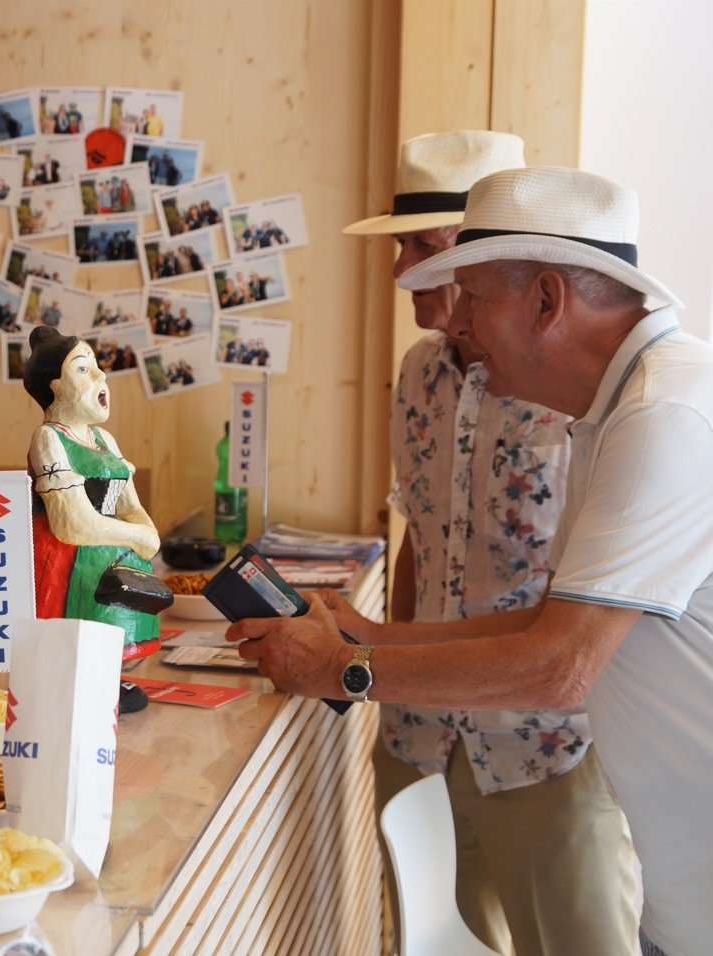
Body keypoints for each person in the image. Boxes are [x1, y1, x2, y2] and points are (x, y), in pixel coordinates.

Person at [238, 166, 702, 956]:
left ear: (547, 301)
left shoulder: (664, 415)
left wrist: (343, 669)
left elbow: (561, 668)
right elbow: (556, 621)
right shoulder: (617, 408)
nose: (464, 327)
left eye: (477, 297)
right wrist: (370, 637)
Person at [339, 134, 639, 956]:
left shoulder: (582, 396)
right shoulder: (417, 376)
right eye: (401, 246)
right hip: (420, 741)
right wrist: (386, 681)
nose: (404, 271)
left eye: (426, 250)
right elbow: (419, 537)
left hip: (545, 751)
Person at [24, 327, 161, 647]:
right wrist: (138, 536)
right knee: (82, 649)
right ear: (55, 386)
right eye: (83, 369)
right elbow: (71, 523)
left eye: (97, 366)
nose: (101, 375)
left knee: (120, 643)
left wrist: (147, 531)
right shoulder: (48, 438)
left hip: (120, 561)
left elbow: (130, 505)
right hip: (73, 565)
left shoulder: (105, 439)